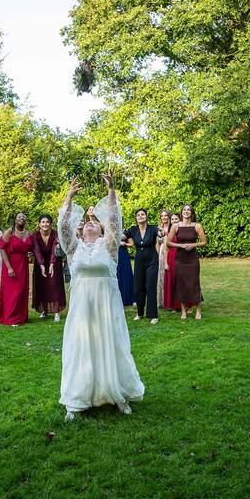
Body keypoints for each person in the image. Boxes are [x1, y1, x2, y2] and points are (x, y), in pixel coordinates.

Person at [58, 174, 144, 421]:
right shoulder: (74, 249)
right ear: (81, 231)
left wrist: (111, 192)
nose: (89, 223)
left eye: (94, 222)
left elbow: (115, 221)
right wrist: (70, 196)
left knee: (113, 346)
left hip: (107, 309)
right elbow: (64, 228)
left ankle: (119, 395)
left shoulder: (109, 246)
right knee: (81, 350)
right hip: (82, 311)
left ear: (101, 230)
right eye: (86, 223)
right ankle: (75, 401)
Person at [123, 208, 162, 324]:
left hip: (152, 259)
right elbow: (122, 236)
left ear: (146, 216)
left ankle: (153, 315)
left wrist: (161, 233)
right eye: (138, 215)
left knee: (150, 286)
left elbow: (159, 232)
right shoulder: (133, 230)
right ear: (136, 218)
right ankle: (140, 313)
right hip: (139, 259)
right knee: (138, 287)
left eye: (142, 214)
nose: (140, 216)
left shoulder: (153, 228)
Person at [0, 212, 32, 325]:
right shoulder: (9, 232)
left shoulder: (27, 233)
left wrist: (29, 254)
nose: (21, 218)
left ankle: (21, 317)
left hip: (23, 265)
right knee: (13, 292)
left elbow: (29, 248)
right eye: (19, 217)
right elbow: (2, 249)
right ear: (15, 220)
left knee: (22, 291)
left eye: (23, 217)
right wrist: (9, 268)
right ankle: (11, 317)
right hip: (11, 265)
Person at [170, 204, 207, 319]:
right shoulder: (175, 226)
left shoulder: (197, 226)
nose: (186, 211)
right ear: (182, 213)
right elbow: (168, 242)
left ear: (192, 213)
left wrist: (193, 244)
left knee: (194, 283)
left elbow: (204, 242)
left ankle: (198, 310)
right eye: (184, 210)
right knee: (181, 284)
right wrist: (181, 245)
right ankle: (183, 311)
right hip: (180, 259)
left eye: (188, 210)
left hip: (192, 259)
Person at [32, 213, 66, 322]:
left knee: (55, 285)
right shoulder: (35, 235)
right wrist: (41, 265)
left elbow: (53, 250)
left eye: (47, 222)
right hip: (40, 262)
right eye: (43, 222)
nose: (45, 224)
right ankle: (44, 310)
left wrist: (51, 264)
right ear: (39, 224)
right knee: (42, 286)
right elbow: (36, 251)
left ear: (51, 224)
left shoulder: (56, 234)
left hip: (54, 261)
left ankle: (57, 312)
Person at [162, 213, 181, 310]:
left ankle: (184, 304)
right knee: (172, 281)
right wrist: (165, 263)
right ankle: (173, 305)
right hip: (171, 258)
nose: (174, 220)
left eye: (176, 219)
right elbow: (166, 249)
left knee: (181, 281)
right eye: (172, 219)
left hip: (181, 258)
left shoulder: (183, 231)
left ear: (180, 219)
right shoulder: (170, 233)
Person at [156, 209, 171, 306]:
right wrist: (159, 254)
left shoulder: (172, 228)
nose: (164, 217)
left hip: (170, 252)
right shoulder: (158, 229)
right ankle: (162, 300)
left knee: (169, 275)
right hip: (161, 253)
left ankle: (170, 299)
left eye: (166, 215)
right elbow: (156, 244)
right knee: (161, 276)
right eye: (162, 216)